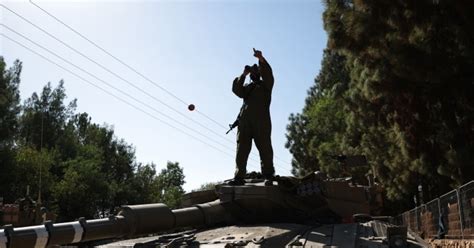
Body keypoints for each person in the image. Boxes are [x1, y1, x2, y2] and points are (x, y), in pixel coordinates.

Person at [228, 48, 275, 186]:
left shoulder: (266, 86)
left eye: (256, 70)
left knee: (265, 149)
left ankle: (268, 176)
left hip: (261, 122)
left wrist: (260, 59)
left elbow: (268, 74)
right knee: (241, 150)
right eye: (252, 71)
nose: (253, 72)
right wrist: (243, 74)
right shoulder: (248, 88)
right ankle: (239, 177)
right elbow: (236, 90)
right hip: (245, 123)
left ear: (259, 73)